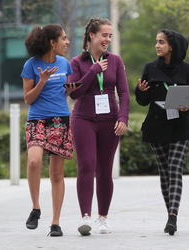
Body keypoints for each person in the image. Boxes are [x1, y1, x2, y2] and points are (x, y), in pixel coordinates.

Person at [68, 18, 130, 236]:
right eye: (104, 35)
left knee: (105, 170)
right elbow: (74, 93)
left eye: (110, 36)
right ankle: (85, 217)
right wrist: (92, 71)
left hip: (109, 120)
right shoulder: (77, 62)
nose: (108, 40)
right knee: (86, 165)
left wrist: (123, 118)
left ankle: (103, 218)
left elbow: (123, 93)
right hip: (83, 119)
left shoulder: (115, 60)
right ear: (92, 35)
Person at [21, 24, 80, 236]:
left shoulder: (65, 64)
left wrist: (70, 91)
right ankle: (36, 208)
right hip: (37, 120)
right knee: (34, 161)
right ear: (52, 43)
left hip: (60, 121)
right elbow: (28, 99)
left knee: (56, 174)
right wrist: (42, 81)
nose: (67, 42)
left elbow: (62, 94)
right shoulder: (31, 65)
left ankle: (55, 223)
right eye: (64, 38)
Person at [135, 29, 189, 235]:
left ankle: (172, 217)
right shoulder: (149, 68)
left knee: (175, 167)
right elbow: (143, 102)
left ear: (172, 46)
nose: (157, 46)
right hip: (156, 125)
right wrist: (141, 91)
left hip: (179, 125)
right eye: (156, 42)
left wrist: (188, 107)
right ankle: (170, 212)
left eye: (161, 42)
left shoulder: (187, 70)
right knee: (164, 172)